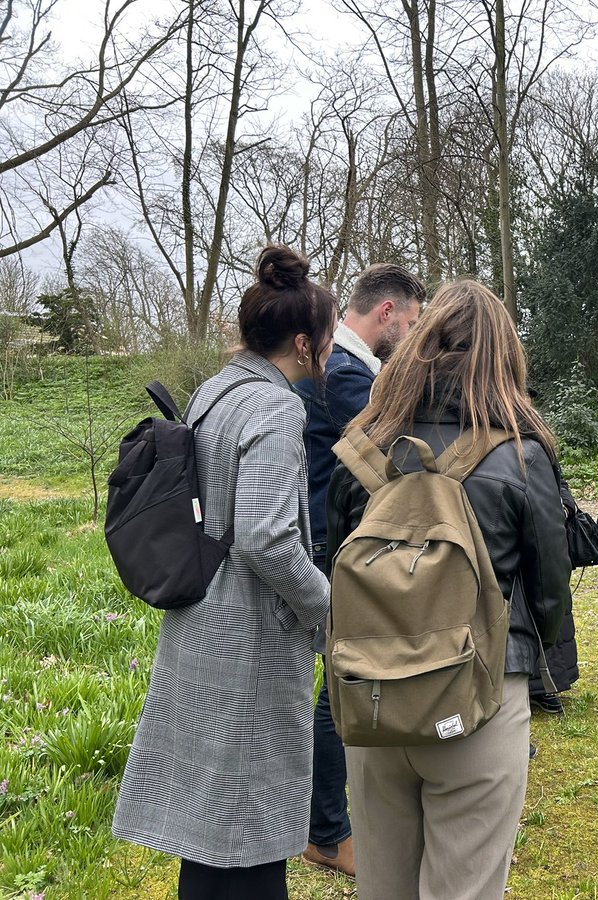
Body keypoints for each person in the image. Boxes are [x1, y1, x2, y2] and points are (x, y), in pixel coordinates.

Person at [325, 278, 570, 900]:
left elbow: (335, 565)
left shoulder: (363, 444)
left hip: (375, 698)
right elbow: (548, 580)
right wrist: (552, 672)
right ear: (503, 354)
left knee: (383, 887)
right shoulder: (520, 452)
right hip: (478, 695)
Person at [112, 246, 336, 900]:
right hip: (250, 648)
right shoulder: (275, 407)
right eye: (323, 340)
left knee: (213, 838)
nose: (327, 351)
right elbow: (267, 537)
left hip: (201, 625)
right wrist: (325, 607)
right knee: (250, 835)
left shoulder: (216, 390)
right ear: (304, 344)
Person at [295, 263, 425, 878]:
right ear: (388, 314)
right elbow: (393, 453)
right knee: (337, 689)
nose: (414, 333)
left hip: (332, 543)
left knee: (334, 685)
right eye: (414, 321)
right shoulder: (345, 377)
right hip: (332, 548)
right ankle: (327, 832)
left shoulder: (343, 369)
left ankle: (324, 820)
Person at [527, 466, 581, 716]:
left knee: (550, 607)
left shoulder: (539, 447)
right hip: (505, 538)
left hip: (544, 539)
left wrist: (564, 508)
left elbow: (561, 486)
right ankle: (519, 688)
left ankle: (546, 686)